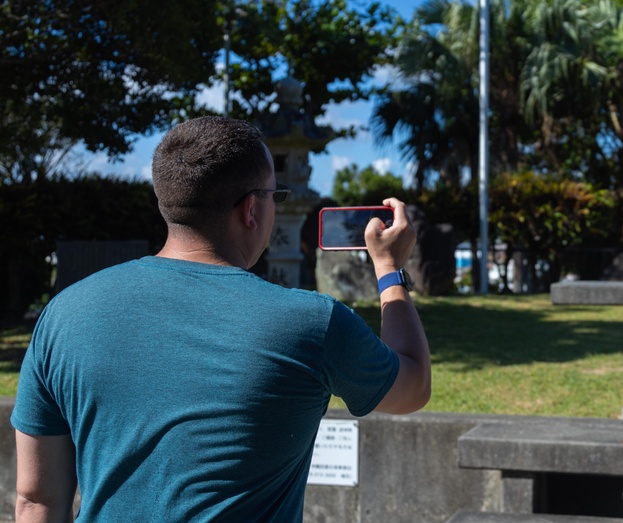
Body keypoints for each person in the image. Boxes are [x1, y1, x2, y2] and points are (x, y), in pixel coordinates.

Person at [11, 116, 431, 522]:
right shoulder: (312, 323)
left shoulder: (63, 315)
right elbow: (412, 387)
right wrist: (389, 268)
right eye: (275, 195)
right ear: (251, 209)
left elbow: (35, 501)